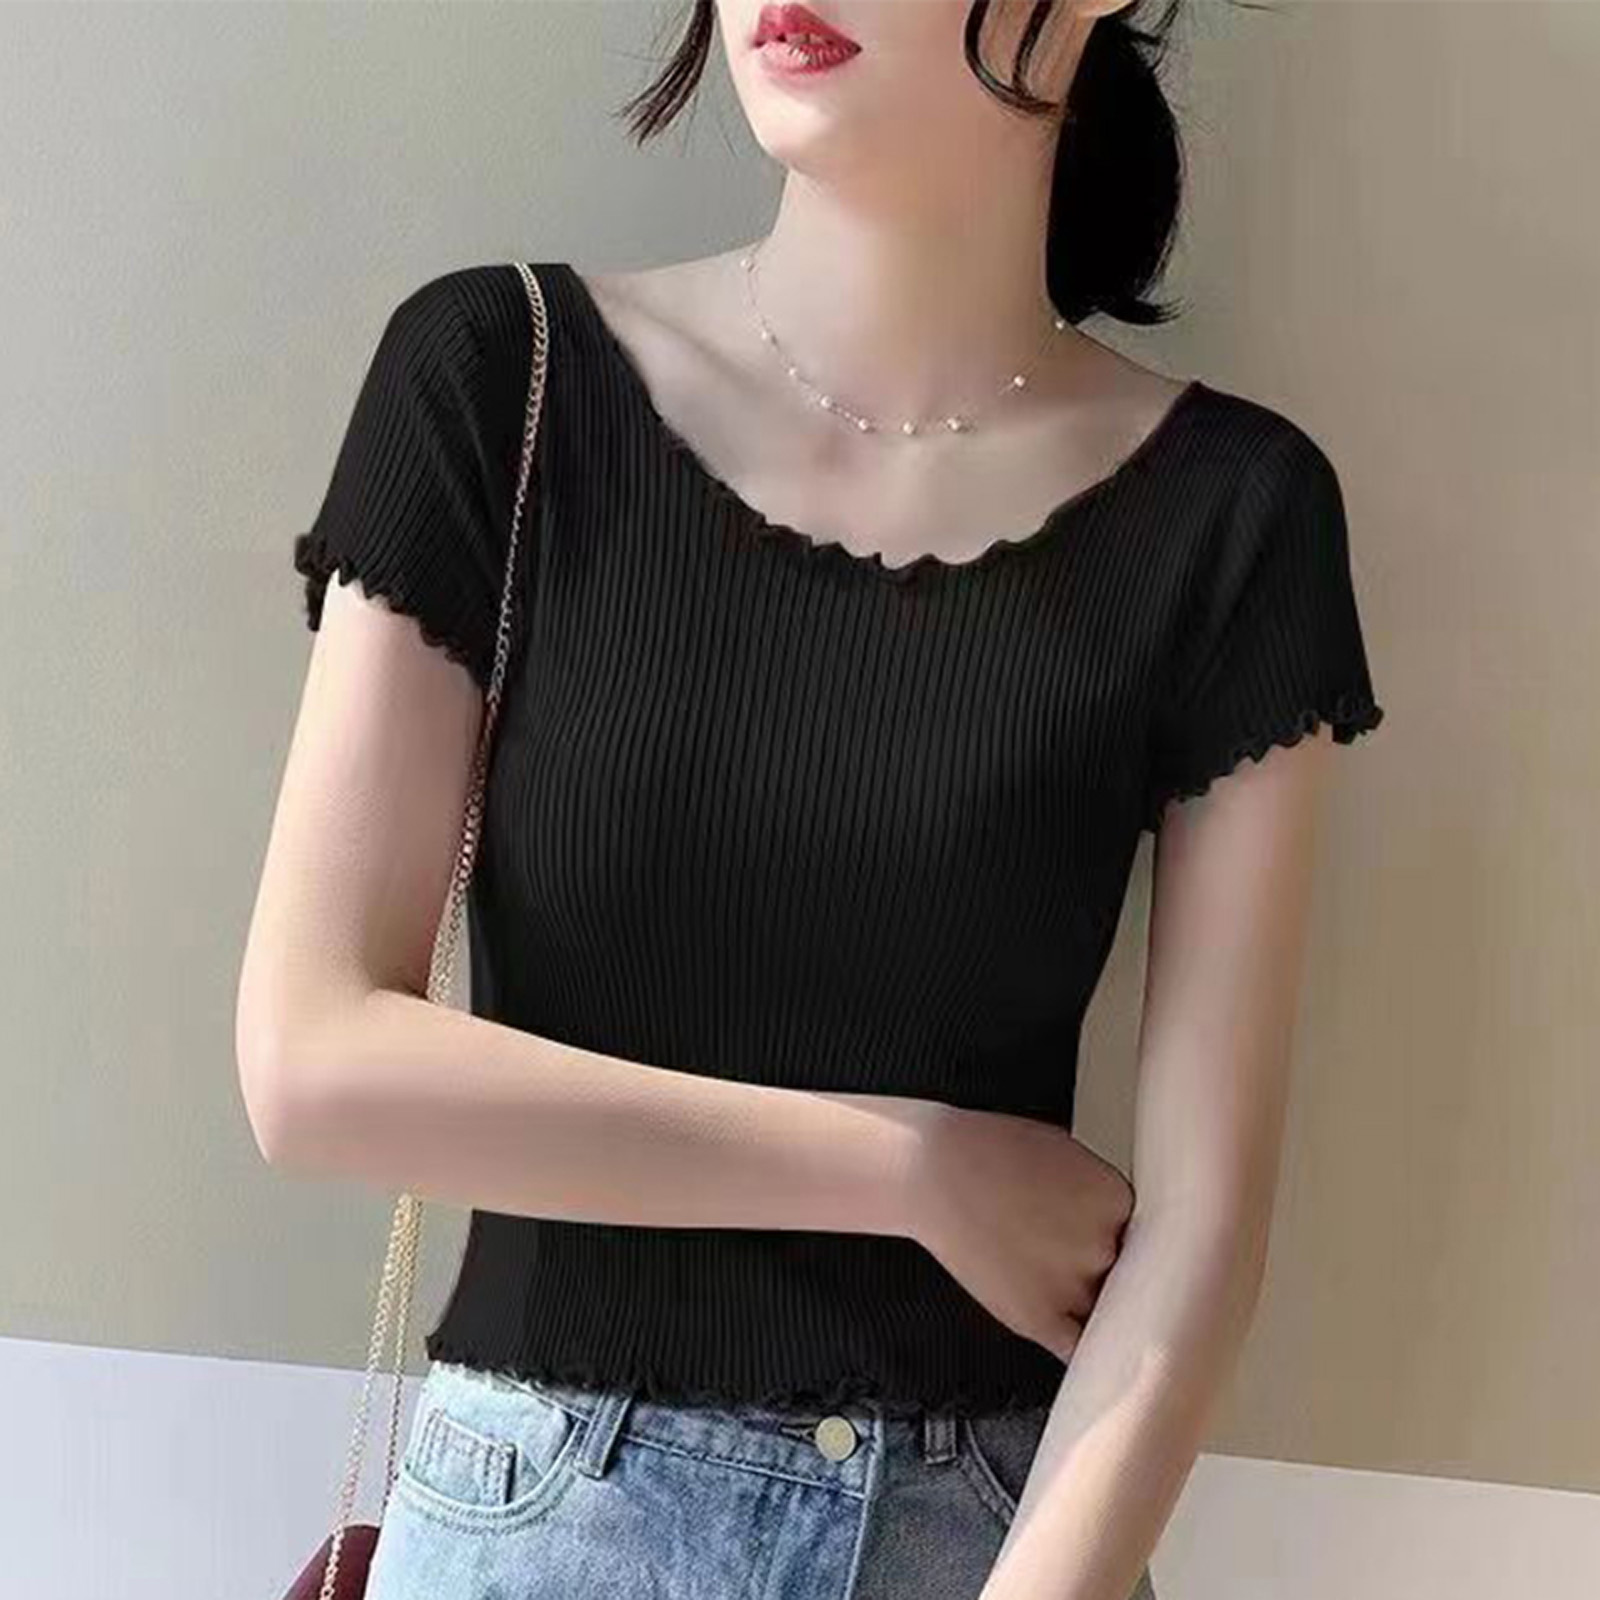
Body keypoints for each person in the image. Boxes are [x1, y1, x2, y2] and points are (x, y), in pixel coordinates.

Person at [236, 2, 1385, 1597]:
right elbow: (311, 1066)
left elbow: (1201, 1241)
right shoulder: (503, 380)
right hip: (542, 1528)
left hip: (989, 1532)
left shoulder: (1233, 515)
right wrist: (912, 1172)